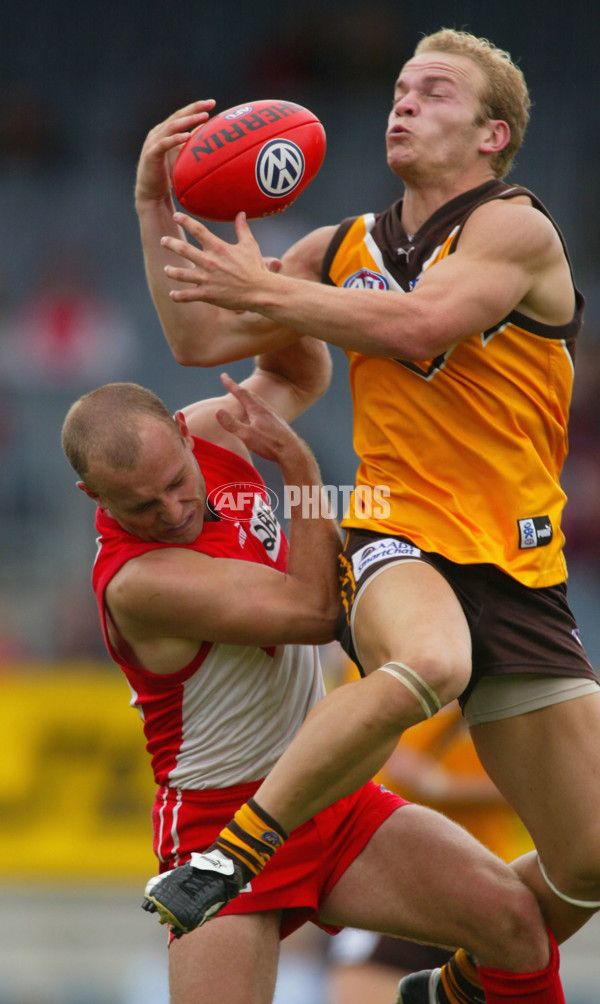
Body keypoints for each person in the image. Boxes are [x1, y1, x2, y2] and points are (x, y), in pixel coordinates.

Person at [132, 27, 600, 1002]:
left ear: (491, 134)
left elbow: (422, 320)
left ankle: (455, 984)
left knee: (590, 859)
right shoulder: (336, 246)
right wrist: (154, 205)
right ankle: (233, 854)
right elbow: (198, 333)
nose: (403, 102)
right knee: (429, 661)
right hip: (391, 534)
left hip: (517, 570)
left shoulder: (517, 229)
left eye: (433, 92)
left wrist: (272, 290)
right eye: (398, 88)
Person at [62, 348, 565, 1004]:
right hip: (220, 827)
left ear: (186, 433)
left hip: (330, 792)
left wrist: (263, 292)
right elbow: (316, 610)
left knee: (517, 927)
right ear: (92, 496)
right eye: (141, 504)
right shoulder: (137, 583)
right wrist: (299, 467)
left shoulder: (214, 430)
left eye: (176, 482)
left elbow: (298, 370)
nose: (173, 510)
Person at [327, 677, 534, 1004]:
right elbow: (378, 757)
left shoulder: (508, 671)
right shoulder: (372, 661)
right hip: (396, 873)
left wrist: (442, 787)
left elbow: (539, 785)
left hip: (483, 881)